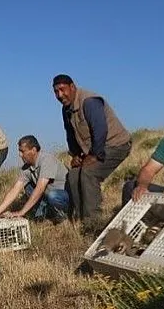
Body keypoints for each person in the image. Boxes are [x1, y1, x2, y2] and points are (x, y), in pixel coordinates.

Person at [52, 74, 132, 222]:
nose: (60, 95)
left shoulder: (89, 101)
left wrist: (94, 156)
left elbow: (100, 130)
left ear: (72, 87)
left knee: (89, 173)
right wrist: (76, 155)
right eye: (56, 92)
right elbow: (70, 134)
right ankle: (79, 218)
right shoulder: (66, 109)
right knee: (74, 174)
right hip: (94, 148)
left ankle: (93, 222)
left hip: (116, 144)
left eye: (62, 90)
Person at [0, 135, 70, 224]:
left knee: (53, 195)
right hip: (48, 196)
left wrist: (21, 212)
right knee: (28, 187)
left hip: (64, 195)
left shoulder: (46, 160)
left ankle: (65, 216)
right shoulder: (27, 167)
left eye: (22, 151)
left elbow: (40, 189)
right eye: (19, 151)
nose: (20, 155)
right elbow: (15, 189)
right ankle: (44, 215)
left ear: (33, 150)